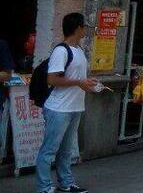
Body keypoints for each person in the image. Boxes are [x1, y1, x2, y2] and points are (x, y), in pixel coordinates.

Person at [36, 12, 98, 193]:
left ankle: (66, 183)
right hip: (58, 108)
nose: (85, 30)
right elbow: (52, 80)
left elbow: (77, 78)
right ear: (78, 28)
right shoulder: (61, 51)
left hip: (75, 107)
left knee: (66, 150)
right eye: (84, 27)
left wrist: (87, 83)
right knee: (49, 150)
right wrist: (79, 82)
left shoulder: (78, 51)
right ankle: (44, 187)